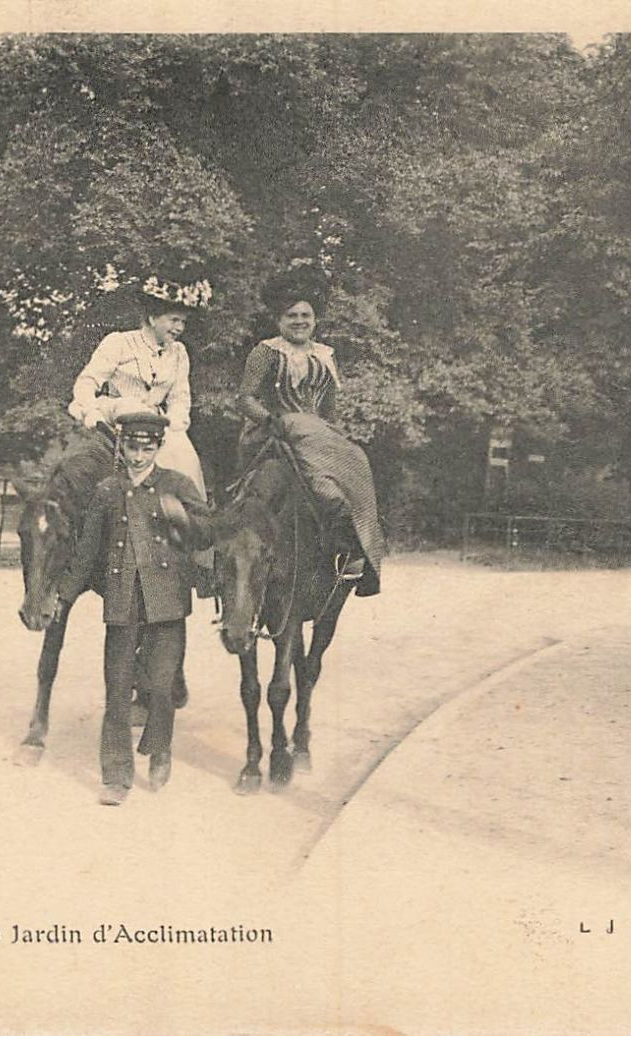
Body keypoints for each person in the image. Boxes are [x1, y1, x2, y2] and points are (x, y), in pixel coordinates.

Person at [54, 411, 213, 805]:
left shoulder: (177, 484)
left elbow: (208, 533)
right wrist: (64, 595)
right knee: (117, 689)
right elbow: (88, 549)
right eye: (131, 447)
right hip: (122, 600)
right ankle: (116, 776)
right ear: (121, 447)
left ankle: (160, 750)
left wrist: (184, 519)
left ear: (159, 448)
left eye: (146, 448)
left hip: (167, 603)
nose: (138, 456)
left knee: (160, 688)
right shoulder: (108, 490)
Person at [235, 267, 386, 597]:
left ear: (315, 320)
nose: (299, 321)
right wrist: (270, 419)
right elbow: (245, 398)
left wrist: (334, 438)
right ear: (279, 320)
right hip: (272, 431)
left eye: (306, 315)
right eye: (291, 315)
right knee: (295, 444)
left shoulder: (325, 355)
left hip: (314, 433)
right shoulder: (266, 352)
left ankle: (356, 547)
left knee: (355, 457)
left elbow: (327, 408)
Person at [68, 275, 212, 501]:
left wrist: (174, 424)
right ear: (153, 317)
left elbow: (179, 397)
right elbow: (87, 382)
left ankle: (190, 517)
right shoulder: (119, 342)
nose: (179, 328)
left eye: (183, 322)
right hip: (117, 414)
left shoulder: (179, 353)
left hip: (155, 421)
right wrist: (91, 412)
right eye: (174, 320)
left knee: (184, 455)